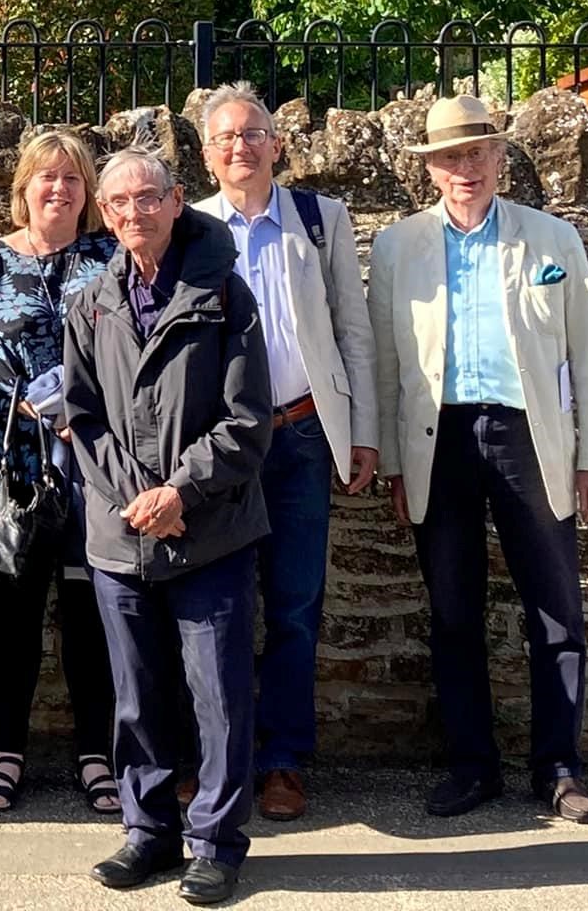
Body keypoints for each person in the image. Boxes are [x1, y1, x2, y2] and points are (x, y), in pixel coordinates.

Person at [368, 94, 588, 824]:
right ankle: (473, 767)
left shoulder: (552, 241)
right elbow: (387, 365)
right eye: (450, 157)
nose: (464, 168)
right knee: (453, 612)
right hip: (436, 441)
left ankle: (560, 768)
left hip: (527, 437)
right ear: (430, 170)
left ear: (501, 159)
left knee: (557, 610)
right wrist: (392, 462)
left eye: (477, 153)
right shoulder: (397, 247)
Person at [62, 148, 271, 906]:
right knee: (137, 695)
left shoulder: (226, 295)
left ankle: (216, 842)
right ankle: (148, 833)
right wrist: (136, 497)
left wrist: (180, 491)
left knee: (218, 695)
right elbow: (82, 419)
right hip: (121, 536)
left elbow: (248, 422)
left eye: (146, 198)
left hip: (210, 531)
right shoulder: (90, 304)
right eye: (116, 204)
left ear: (178, 201)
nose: (131, 214)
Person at [191, 82, 377, 822]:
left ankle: (282, 760)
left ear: (276, 144)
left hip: (302, 433)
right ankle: (219, 759)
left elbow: (353, 332)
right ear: (207, 155)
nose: (241, 146)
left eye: (253, 133)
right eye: (226, 137)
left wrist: (361, 433)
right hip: (220, 445)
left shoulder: (320, 219)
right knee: (219, 607)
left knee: (296, 606)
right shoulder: (190, 228)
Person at [0, 129, 121, 817]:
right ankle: (8, 751)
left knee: (91, 613)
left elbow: (126, 340)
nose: (58, 189)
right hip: (14, 463)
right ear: (23, 188)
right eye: (46, 178)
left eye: (73, 180)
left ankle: (96, 755)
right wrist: (31, 396)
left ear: (88, 195)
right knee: (15, 615)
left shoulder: (110, 256)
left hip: (94, 461)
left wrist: (76, 405)